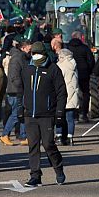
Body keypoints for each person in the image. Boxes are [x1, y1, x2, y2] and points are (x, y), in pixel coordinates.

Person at [20, 41, 67, 187]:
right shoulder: (27, 69)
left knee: (48, 144)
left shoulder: (53, 69)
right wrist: (20, 110)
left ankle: (58, 168)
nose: (35, 56)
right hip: (30, 114)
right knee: (33, 145)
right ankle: (35, 175)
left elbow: (61, 93)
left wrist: (59, 112)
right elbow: (21, 91)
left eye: (38, 53)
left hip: (47, 114)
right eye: (33, 53)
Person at [1, 40, 31, 146]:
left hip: (19, 90)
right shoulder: (17, 59)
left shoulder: (22, 58)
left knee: (21, 113)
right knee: (16, 114)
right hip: (16, 91)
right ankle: (5, 135)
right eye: (28, 48)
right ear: (23, 48)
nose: (30, 50)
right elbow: (14, 76)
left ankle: (23, 136)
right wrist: (22, 87)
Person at [67, 31, 95, 122]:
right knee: (85, 93)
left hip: (71, 73)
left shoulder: (67, 48)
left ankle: (74, 113)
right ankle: (83, 114)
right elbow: (91, 61)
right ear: (80, 38)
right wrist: (89, 71)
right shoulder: (85, 48)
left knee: (72, 92)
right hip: (84, 73)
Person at [57, 48, 80, 145]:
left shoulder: (61, 66)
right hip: (72, 95)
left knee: (59, 117)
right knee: (70, 119)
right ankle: (70, 137)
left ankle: (58, 136)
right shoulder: (73, 64)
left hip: (62, 95)